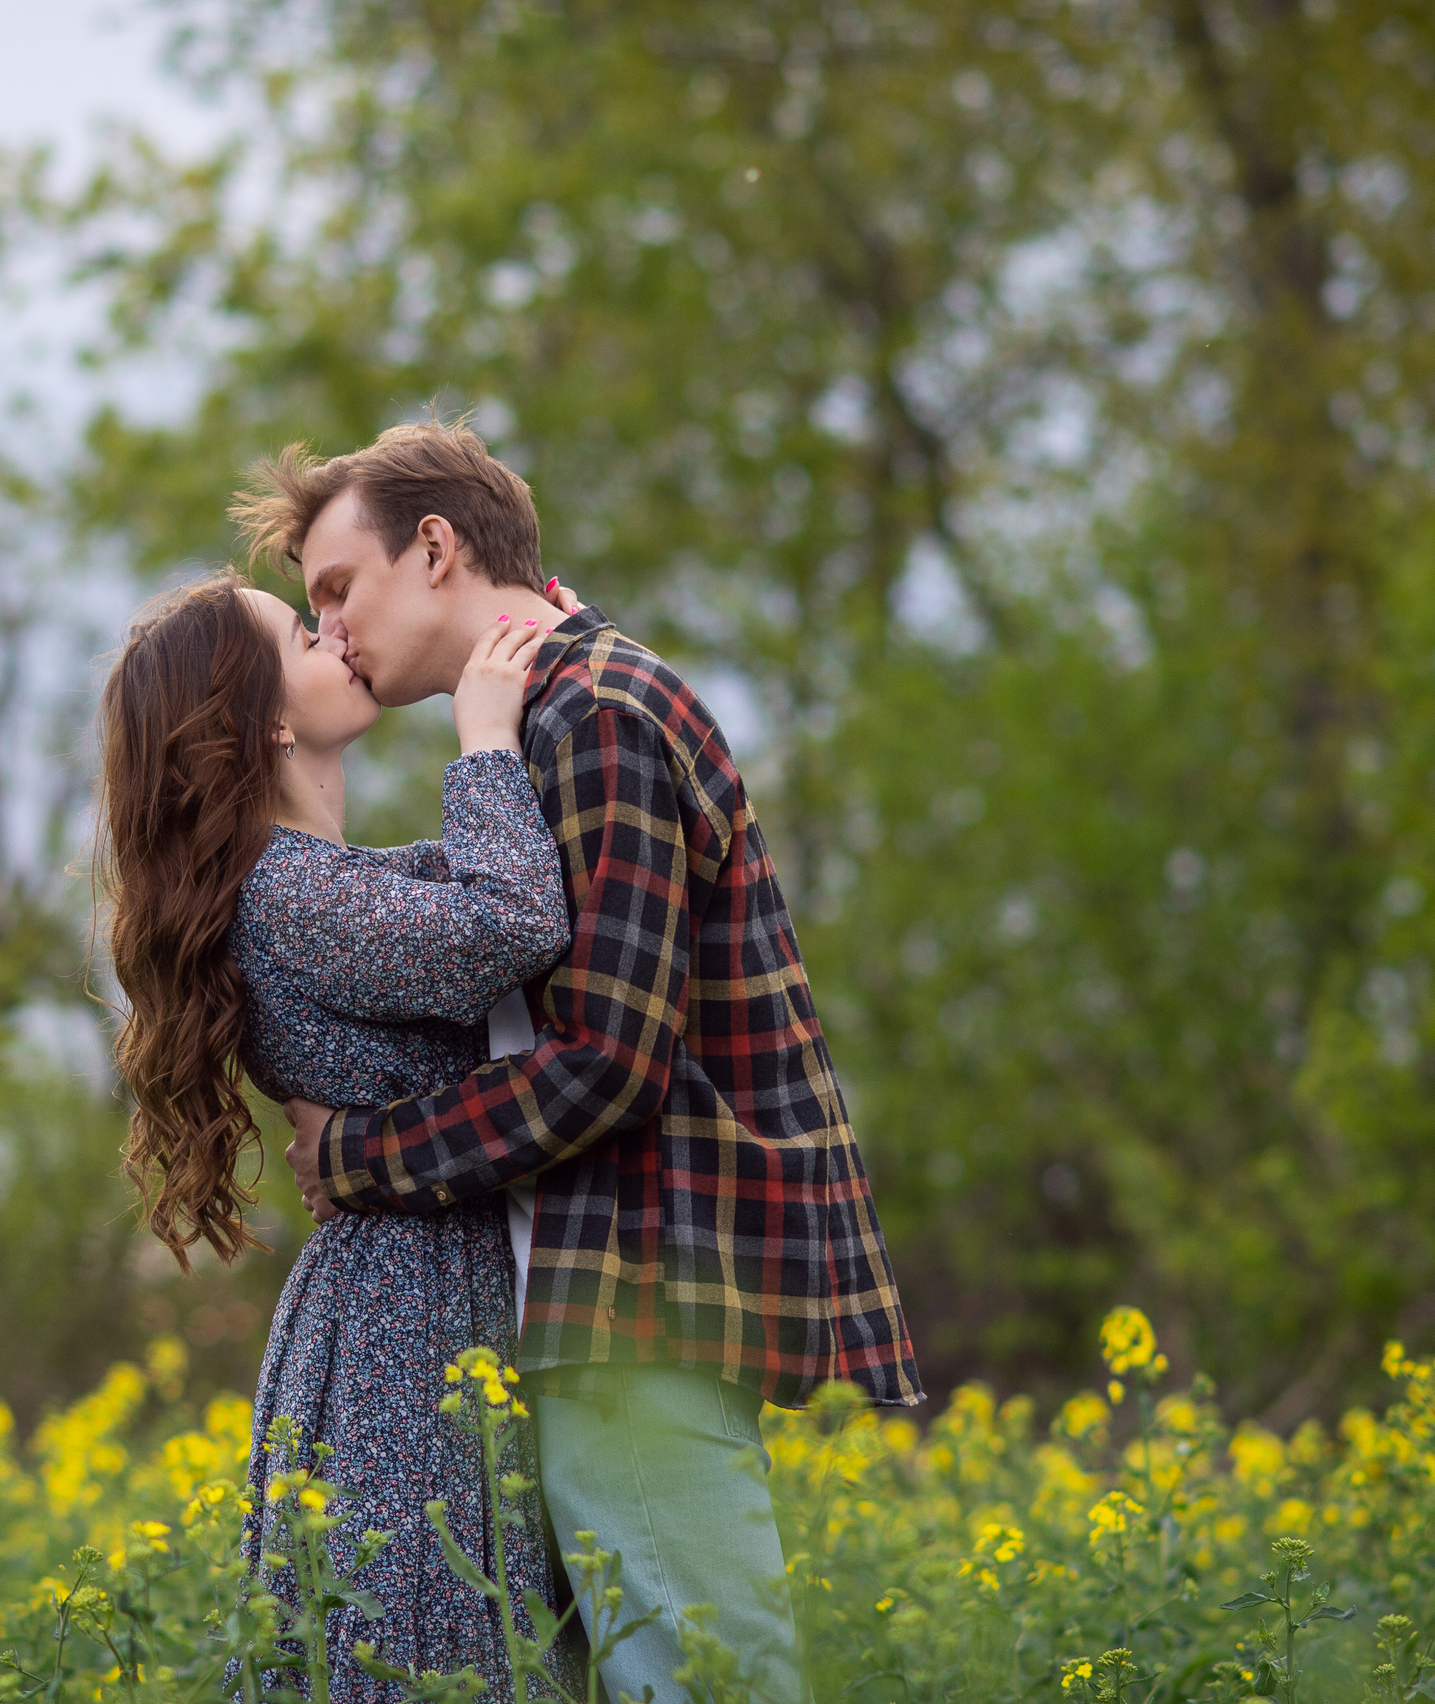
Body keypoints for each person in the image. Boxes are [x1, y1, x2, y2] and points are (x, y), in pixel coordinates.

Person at [256, 420, 926, 1704]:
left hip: (642, 1287)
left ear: (436, 549)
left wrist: (360, 1154)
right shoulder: (560, 709)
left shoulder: (595, 715)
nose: (329, 629)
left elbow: (608, 1062)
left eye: (338, 588)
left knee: (703, 1681)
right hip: (610, 1288)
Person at [96, 571, 581, 1700]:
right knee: (424, 1647)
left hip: (417, 1288)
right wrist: (483, 741)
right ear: (264, 717)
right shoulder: (286, 894)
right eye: (303, 634)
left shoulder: (317, 882)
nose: (338, 636)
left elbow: (475, 882)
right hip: (407, 1320)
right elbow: (509, 920)